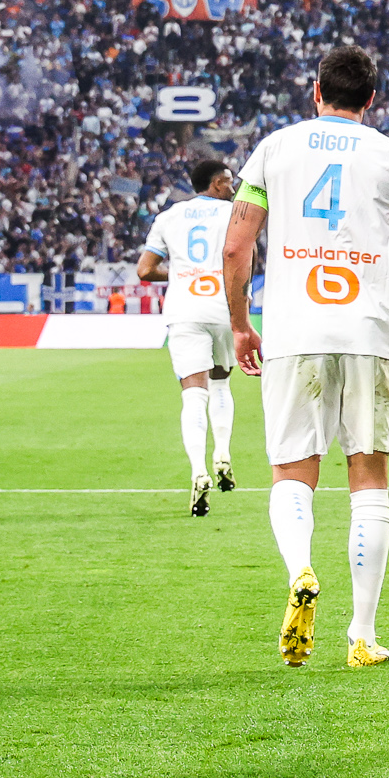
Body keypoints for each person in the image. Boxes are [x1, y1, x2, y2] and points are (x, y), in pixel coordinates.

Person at [222, 45, 389, 671]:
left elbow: (237, 248)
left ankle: (301, 569)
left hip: (294, 332)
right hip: (369, 334)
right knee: (368, 482)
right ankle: (362, 635)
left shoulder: (274, 149)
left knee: (292, 474)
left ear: (316, 91)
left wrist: (240, 326)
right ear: (371, 99)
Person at [136, 159, 239, 517]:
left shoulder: (169, 217)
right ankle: (222, 452)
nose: (233, 188)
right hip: (222, 307)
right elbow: (244, 259)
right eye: (228, 182)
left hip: (184, 311)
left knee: (193, 395)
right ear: (215, 183)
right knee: (221, 384)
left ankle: (198, 471)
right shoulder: (234, 214)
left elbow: (145, 270)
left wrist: (181, 274)